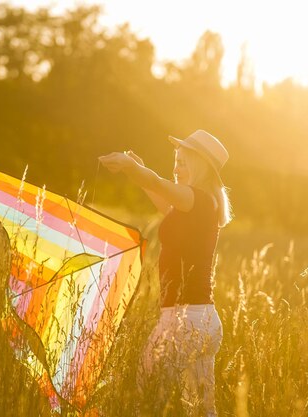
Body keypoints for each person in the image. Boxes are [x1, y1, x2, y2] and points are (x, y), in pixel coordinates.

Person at [99, 129, 232, 416]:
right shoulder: (197, 203)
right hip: (203, 319)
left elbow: (159, 183)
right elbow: (161, 194)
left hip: (183, 320)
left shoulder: (196, 198)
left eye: (183, 162)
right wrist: (137, 171)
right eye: (176, 160)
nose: (176, 167)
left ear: (199, 166)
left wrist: (133, 168)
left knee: (146, 400)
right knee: (201, 410)